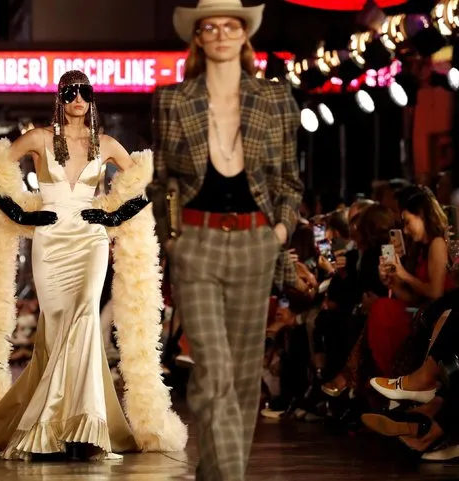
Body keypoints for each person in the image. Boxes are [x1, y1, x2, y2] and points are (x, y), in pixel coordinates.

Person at [0, 70, 186, 461]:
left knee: (84, 316)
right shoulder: (39, 138)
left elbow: (148, 181)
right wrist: (21, 213)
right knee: (56, 328)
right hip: (49, 244)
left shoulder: (108, 144)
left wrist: (113, 216)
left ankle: (86, 426)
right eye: (71, 92)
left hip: (90, 242)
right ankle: (57, 422)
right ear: (60, 98)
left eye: (85, 92)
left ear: (92, 98)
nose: (78, 98)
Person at [151, 0, 303, 479]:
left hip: (257, 241)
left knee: (239, 381)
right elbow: (160, 182)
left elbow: (289, 180)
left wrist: (280, 230)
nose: (220, 34)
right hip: (196, 240)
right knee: (212, 372)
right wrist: (172, 238)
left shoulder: (275, 99)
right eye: (209, 27)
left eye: (230, 26)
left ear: (244, 35)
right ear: (197, 37)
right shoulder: (173, 99)